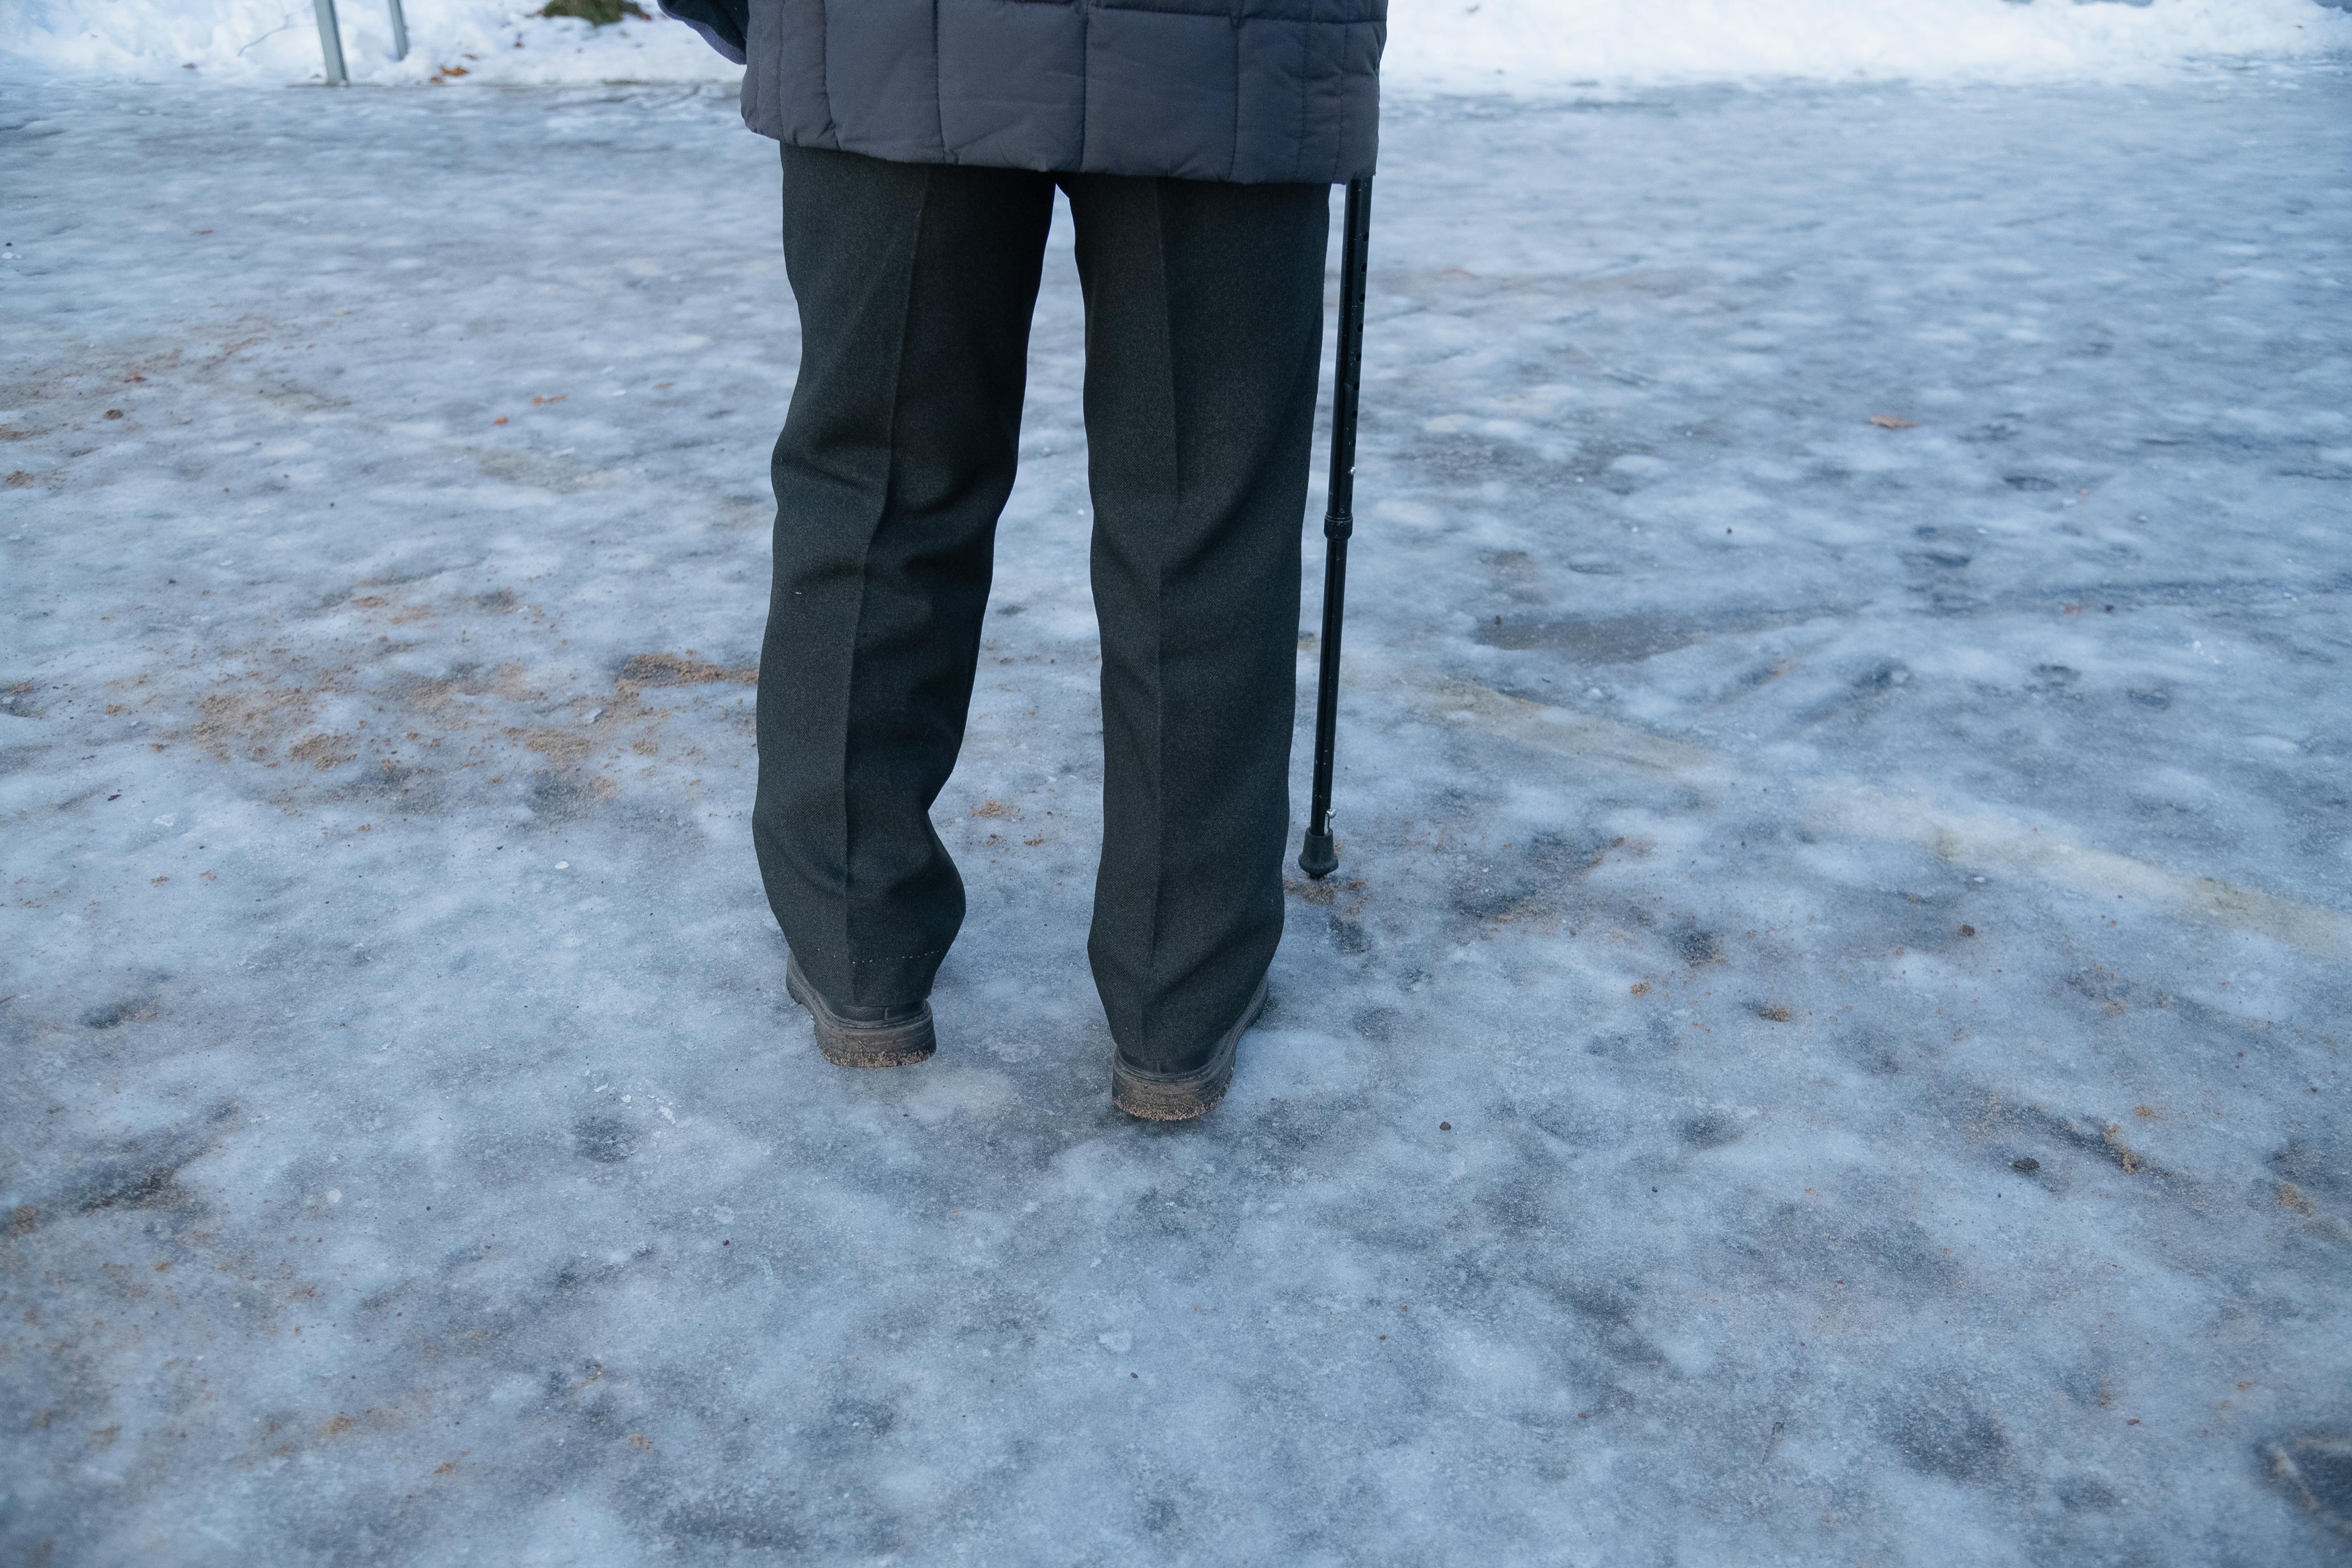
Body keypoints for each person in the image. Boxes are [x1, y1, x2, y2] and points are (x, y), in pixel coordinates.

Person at [661, 0, 1386, 1119]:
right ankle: (1176, 1002)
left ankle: (859, 953)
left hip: (882, 31)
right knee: (1204, 515)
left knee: (876, 481)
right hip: (1227, 43)